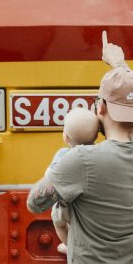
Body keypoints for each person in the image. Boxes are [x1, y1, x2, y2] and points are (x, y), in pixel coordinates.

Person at [27, 32, 133, 264]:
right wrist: (120, 66)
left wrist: (54, 172)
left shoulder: (80, 161)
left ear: (100, 108)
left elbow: (35, 202)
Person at [46, 107, 100, 254]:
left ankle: (71, 248)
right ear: (96, 136)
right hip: (91, 203)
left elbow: (50, 177)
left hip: (67, 205)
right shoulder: (101, 152)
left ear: (66, 137)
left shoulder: (63, 154)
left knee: (59, 223)